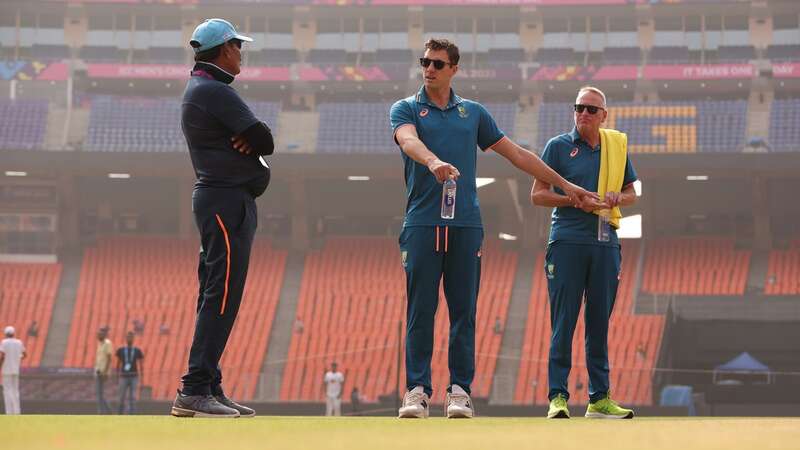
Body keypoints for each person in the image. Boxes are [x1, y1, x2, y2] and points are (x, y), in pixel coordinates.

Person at [390, 38, 595, 419]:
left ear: (454, 69)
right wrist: (433, 161)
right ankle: (416, 391)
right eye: (425, 62)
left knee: (464, 311)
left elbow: (516, 153)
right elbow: (407, 140)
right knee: (421, 309)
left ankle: (460, 391)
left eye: (437, 63)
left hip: (466, 224)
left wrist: (566, 185)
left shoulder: (474, 113)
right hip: (422, 222)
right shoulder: (406, 108)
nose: (429, 69)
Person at [172, 18, 274, 419]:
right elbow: (266, 139)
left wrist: (249, 138)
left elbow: (258, 140)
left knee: (217, 292)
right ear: (224, 50)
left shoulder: (204, 88)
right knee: (222, 293)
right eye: (237, 46)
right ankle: (195, 388)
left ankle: (208, 384)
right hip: (225, 202)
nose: (241, 53)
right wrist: (252, 137)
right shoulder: (214, 91)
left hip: (223, 201)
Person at [531, 86, 638, 419]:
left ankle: (599, 399)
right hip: (567, 241)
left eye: (592, 109)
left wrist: (620, 199)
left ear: (604, 115)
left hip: (605, 242)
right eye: (579, 108)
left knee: (599, 323)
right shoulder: (558, 147)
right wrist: (572, 198)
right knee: (564, 321)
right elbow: (538, 195)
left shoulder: (615, 148)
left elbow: (632, 192)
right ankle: (558, 397)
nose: (584, 114)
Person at [116, 331, 144, 414]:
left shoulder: (137, 350)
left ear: (133, 339)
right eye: (128, 337)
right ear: (125, 338)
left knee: (133, 396)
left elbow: (141, 364)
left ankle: (132, 413)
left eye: (131, 337)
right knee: (121, 396)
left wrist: (142, 377)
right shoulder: (120, 350)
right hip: (123, 376)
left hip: (134, 376)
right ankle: (120, 413)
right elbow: (118, 363)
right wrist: (117, 375)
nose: (129, 338)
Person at [0, 326, 25, 414]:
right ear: (13, 333)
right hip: (16, 370)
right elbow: (24, 354)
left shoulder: (4, 342)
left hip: (6, 370)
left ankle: (9, 412)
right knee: (15, 390)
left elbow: (2, 356)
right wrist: (17, 359)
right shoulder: (19, 342)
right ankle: (17, 412)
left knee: (7, 391)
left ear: (5, 334)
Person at [94, 327, 113, 414]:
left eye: (101, 334)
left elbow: (109, 358)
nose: (99, 335)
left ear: (104, 335)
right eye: (98, 334)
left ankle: (101, 412)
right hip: (98, 371)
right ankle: (108, 412)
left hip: (102, 372)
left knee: (99, 394)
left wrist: (105, 372)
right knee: (100, 394)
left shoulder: (107, 343)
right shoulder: (99, 344)